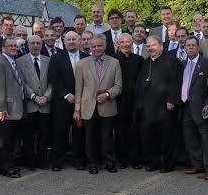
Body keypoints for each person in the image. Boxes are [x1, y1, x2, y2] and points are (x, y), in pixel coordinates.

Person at [74, 35, 122, 174]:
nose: (96, 49)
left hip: (107, 105)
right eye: (94, 46)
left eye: (99, 45)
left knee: (107, 137)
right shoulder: (82, 64)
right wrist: (77, 109)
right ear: (90, 47)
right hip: (88, 107)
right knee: (90, 137)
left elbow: (118, 86)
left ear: (105, 46)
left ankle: (109, 162)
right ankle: (92, 163)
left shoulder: (114, 63)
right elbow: (79, 89)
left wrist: (107, 94)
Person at [137, 36, 180, 172]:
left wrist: (172, 100)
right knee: (151, 136)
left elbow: (176, 82)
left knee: (167, 137)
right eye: (148, 46)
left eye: (153, 45)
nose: (150, 48)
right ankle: (153, 162)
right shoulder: (146, 62)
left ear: (161, 45)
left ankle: (167, 164)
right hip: (149, 107)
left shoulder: (172, 61)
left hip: (165, 106)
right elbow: (140, 84)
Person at [49, 31, 89, 170]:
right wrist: (65, 94)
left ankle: (78, 159)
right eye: (68, 39)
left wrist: (82, 96)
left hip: (81, 102)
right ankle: (58, 160)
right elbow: (54, 78)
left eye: (74, 39)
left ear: (79, 41)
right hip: (63, 102)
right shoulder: (56, 58)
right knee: (60, 132)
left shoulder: (86, 57)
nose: (71, 42)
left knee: (79, 132)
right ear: (64, 42)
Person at [179, 36, 208, 178]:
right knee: (190, 137)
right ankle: (197, 165)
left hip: (202, 107)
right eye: (187, 45)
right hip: (185, 106)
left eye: (193, 45)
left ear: (198, 47)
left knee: (207, 138)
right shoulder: (181, 64)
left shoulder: (207, 63)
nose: (190, 47)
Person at [0, 38, 26, 178]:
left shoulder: (14, 62)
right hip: (6, 110)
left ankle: (10, 164)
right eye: (10, 45)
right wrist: (0, 108)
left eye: (15, 46)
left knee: (12, 140)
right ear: (3, 48)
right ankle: (6, 168)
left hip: (17, 109)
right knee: (5, 141)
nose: (14, 48)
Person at [17, 34, 52, 170]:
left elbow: (52, 82)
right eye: (33, 43)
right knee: (29, 136)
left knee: (44, 136)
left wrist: (46, 97)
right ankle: (30, 162)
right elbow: (21, 82)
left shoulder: (48, 60)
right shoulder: (20, 61)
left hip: (45, 105)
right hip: (30, 104)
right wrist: (33, 96)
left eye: (38, 43)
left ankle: (42, 161)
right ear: (28, 45)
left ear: (42, 45)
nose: (36, 46)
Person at [112, 33, 144, 169]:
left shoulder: (139, 59)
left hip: (135, 100)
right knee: (120, 131)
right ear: (118, 44)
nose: (125, 44)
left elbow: (142, 80)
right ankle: (122, 159)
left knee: (135, 130)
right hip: (118, 100)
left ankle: (135, 159)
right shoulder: (113, 60)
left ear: (132, 43)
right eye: (122, 42)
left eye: (128, 42)